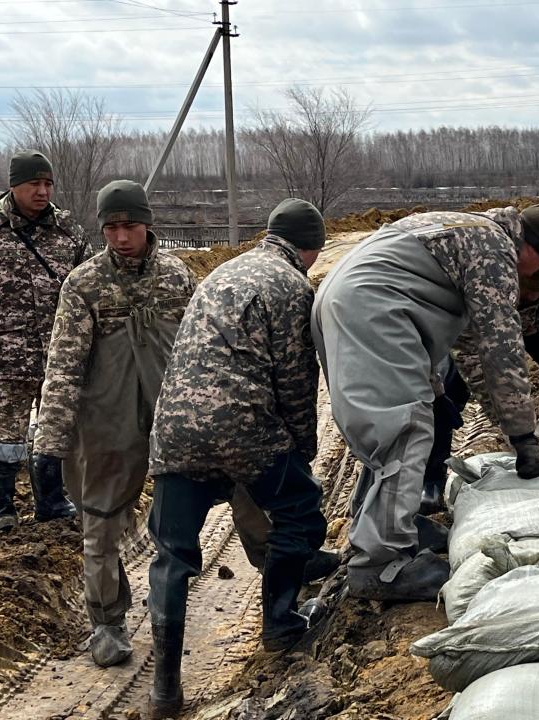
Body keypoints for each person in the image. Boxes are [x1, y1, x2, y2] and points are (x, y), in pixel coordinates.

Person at [311, 204, 539, 602]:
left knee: (388, 425)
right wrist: (523, 437)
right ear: (536, 249)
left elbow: (471, 350)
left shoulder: (464, 229)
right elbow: (501, 351)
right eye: (536, 271)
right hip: (374, 309)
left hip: (341, 299)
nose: (530, 279)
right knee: (404, 428)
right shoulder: (496, 250)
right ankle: (379, 566)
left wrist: (439, 391)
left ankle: (386, 525)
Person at [145, 198, 328, 720]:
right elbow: (296, 381)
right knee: (298, 508)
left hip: (175, 428)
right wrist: (301, 450)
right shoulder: (293, 286)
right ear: (309, 248)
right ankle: (281, 624)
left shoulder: (223, 273)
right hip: (242, 427)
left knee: (172, 554)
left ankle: (164, 688)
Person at [32, 180, 197, 668]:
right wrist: (50, 442)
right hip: (107, 423)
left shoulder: (176, 276)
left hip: (174, 417)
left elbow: (198, 347)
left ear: (148, 224)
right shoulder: (83, 284)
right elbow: (62, 367)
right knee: (99, 525)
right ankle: (107, 622)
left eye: (129, 225)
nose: (121, 237)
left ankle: (280, 584)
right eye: (111, 227)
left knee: (237, 493)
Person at [0, 150, 91, 534]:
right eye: (35, 184)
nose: (43, 191)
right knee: (7, 433)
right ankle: (4, 508)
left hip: (63, 358)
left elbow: (91, 289)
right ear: (14, 185)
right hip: (11, 355)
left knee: (55, 429)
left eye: (48, 184)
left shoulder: (68, 232)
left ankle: (51, 502)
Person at [420, 251, 539, 514]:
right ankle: (431, 480)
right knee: (445, 385)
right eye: (529, 290)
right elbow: (471, 355)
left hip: (538, 328)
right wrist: (510, 424)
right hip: (485, 329)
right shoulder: (488, 266)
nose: (533, 297)